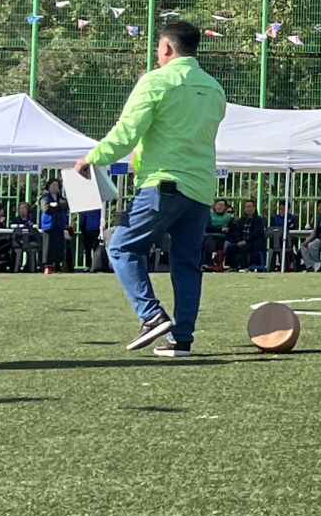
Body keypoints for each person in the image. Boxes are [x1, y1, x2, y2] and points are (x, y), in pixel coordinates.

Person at [76, 20, 227, 359]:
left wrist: (92, 157)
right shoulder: (215, 88)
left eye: (158, 49)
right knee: (186, 265)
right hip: (201, 189)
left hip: (163, 185)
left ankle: (151, 315)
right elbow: (187, 134)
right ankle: (181, 339)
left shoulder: (157, 81)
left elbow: (126, 132)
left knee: (121, 246)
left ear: (166, 49)